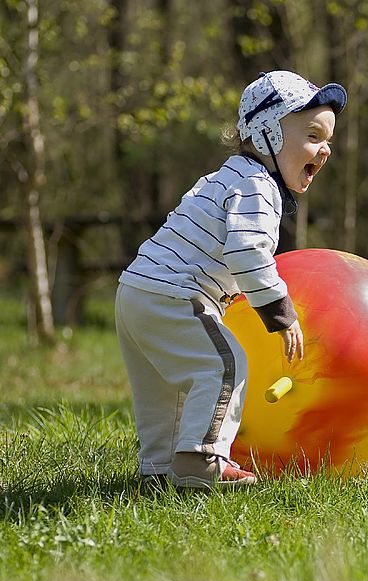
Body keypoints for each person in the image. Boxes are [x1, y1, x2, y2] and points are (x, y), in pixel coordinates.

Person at [115, 70, 347, 489]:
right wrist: (281, 313)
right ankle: (201, 461)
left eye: (328, 140)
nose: (325, 149)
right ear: (267, 138)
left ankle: (161, 468)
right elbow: (247, 252)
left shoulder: (228, 177)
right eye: (313, 136)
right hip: (176, 293)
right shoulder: (258, 186)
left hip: (136, 291)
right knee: (225, 366)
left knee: (165, 392)